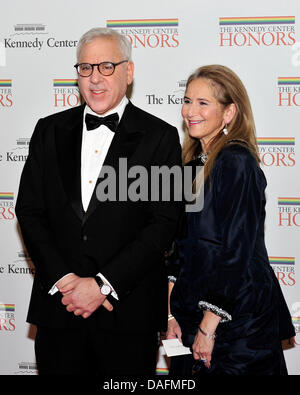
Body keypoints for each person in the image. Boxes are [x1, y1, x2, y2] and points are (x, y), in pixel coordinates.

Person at [16, 27, 182, 376]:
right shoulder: (48, 130)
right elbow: (29, 211)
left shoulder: (161, 137)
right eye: (85, 68)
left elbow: (164, 223)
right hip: (59, 310)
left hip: (128, 315)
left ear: (129, 72)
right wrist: (64, 280)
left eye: (106, 66)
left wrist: (103, 284)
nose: (95, 78)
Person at [166, 65, 295, 375]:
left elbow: (236, 251)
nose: (190, 111)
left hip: (237, 324)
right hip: (192, 313)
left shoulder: (236, 162)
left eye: (202, 103)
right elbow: (179, 249)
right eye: (187, 100)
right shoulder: (191, 165)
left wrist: (209, 327)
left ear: (229, 113)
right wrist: (171, 315)